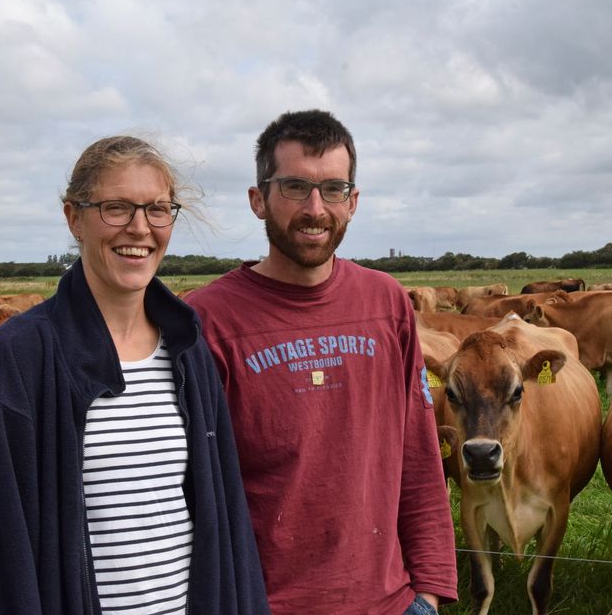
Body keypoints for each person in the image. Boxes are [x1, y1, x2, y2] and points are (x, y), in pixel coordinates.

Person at [0, 135, 270, 615]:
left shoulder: (189, 351)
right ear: (74, 218)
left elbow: (224, 525)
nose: (140, 228)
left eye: (158, 209)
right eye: (116, 208)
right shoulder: (12, 363)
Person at [185, 110, 458, 614]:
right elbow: (190, 487)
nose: (316, 208)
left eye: (333, 189)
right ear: (257, 200)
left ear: (353, 202)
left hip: (395, 603)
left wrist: (431, 589)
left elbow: (418, 453)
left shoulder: (386, 302)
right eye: (294, 187)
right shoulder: (208, 320)